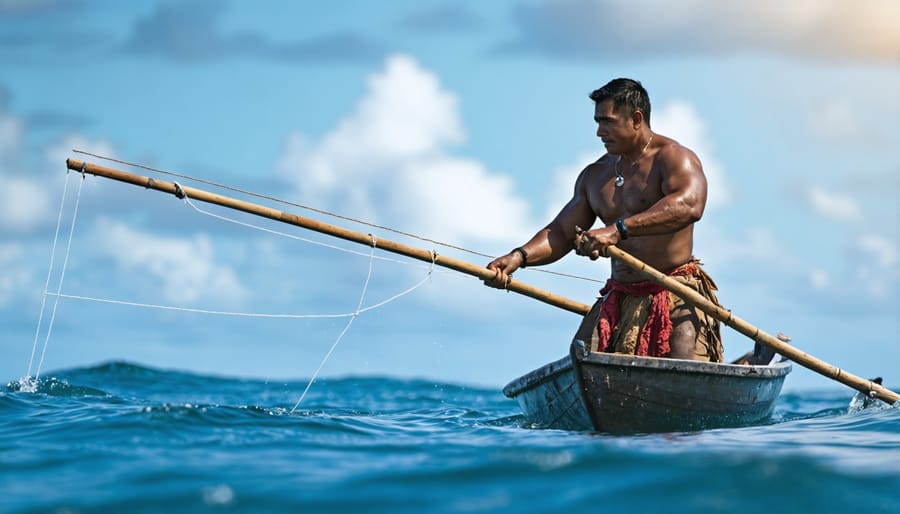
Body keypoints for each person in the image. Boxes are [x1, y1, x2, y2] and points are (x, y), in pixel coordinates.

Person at [484, 78, 725, 362]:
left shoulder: (673, 158)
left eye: (607, 122)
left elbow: (690, 205)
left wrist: (618, 230)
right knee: (581, 360)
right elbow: (560, 233)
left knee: (683, 370)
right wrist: (519, 257)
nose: (599, 132)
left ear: (636, 119)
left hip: (676, 293)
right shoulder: (595, 175)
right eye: (597, 122)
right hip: (618, 296)